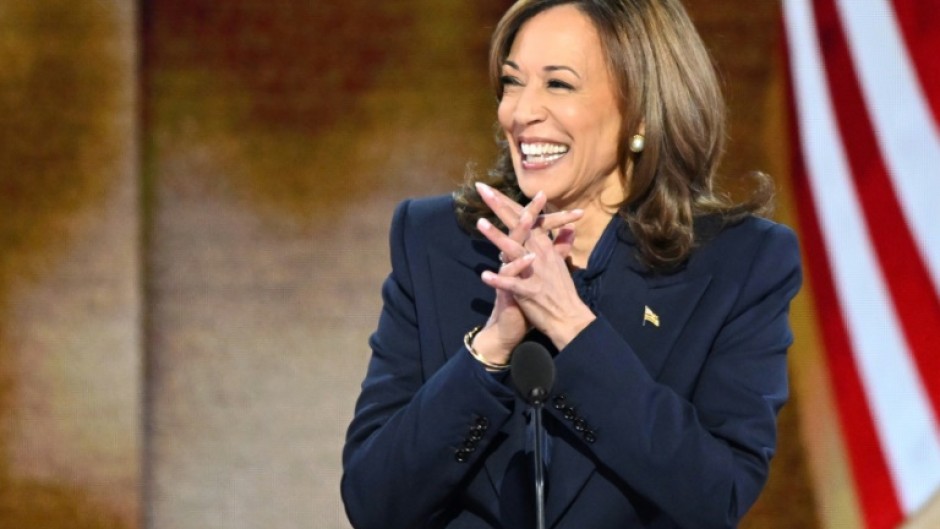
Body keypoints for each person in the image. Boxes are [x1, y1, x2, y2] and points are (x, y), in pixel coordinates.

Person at [341, 0, 802, 527]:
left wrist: (573, 329)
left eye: (558, 85)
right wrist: (489, 350)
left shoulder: (740, 264)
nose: (519, 112)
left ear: (642, 112)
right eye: (513, 82)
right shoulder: (437, 241)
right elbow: (373, 504)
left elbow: (714, 497)